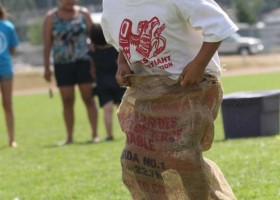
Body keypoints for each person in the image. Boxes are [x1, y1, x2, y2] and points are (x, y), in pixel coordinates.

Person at [101, 0, 238, 199]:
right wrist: (122, 62)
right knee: (136, 161)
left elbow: (218, 24)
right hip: (147, 88)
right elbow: (121, 40)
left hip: (189, 86)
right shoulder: (112, 3)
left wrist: (198, 65)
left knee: (181, 157)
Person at [43, 0, 99, 144]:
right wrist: (46, 67)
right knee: (67, 101)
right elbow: (47, 44)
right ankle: (69, 137)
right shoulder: (51, 17)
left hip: (83, 62)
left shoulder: (83, 13)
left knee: (88, 98)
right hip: (62, 64)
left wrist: (96, 62)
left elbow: (94, 39)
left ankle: (95, 134)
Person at [89, 23, 126, 141]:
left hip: (102, 83)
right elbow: (119, 65)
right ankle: (128, 134)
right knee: (122, 109)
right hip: (117, 81)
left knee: (107, 110)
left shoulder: (92, 53)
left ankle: (109, 135)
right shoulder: (115, 50)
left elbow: (92, 69)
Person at [0, 4, 19, 148]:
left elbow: (12, 48)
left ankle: (12, 139)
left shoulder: (8, 27)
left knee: (7, 104)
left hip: (5, 70)